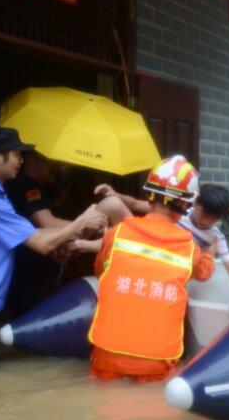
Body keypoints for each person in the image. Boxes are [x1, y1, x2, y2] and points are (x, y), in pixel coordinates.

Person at [0, 127, 108, 373]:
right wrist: (81, 223)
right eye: (17, 154)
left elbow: (35, 235)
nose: (21, 160)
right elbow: (40, 243)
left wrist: (80, 239)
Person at [87, 155, 216, 382]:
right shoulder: (188, 246)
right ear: (183, 203)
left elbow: (101, 272)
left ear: (150, 194)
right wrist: (212, 251)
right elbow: (204, 272)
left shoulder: (116, 233)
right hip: (156, 365)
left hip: (106, 359)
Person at [94, 181, 229, 300]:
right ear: (195, 203)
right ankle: (86, 243)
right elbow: (135, 204)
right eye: (204, 214)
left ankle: (86, 245)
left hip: (168, 274)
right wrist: (116, 195)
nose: (207, 221)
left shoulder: (216, 236)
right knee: (116, 211)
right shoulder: (180, 212)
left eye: (214, 218)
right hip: (149, 252)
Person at [5, 150, 90, 317]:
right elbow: (47, 223)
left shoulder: (41, 187)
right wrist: (90, 224)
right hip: (28, 266)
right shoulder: (26, 184)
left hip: (30, 265)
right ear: (31, 161)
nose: (55, 166)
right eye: (49, 161)